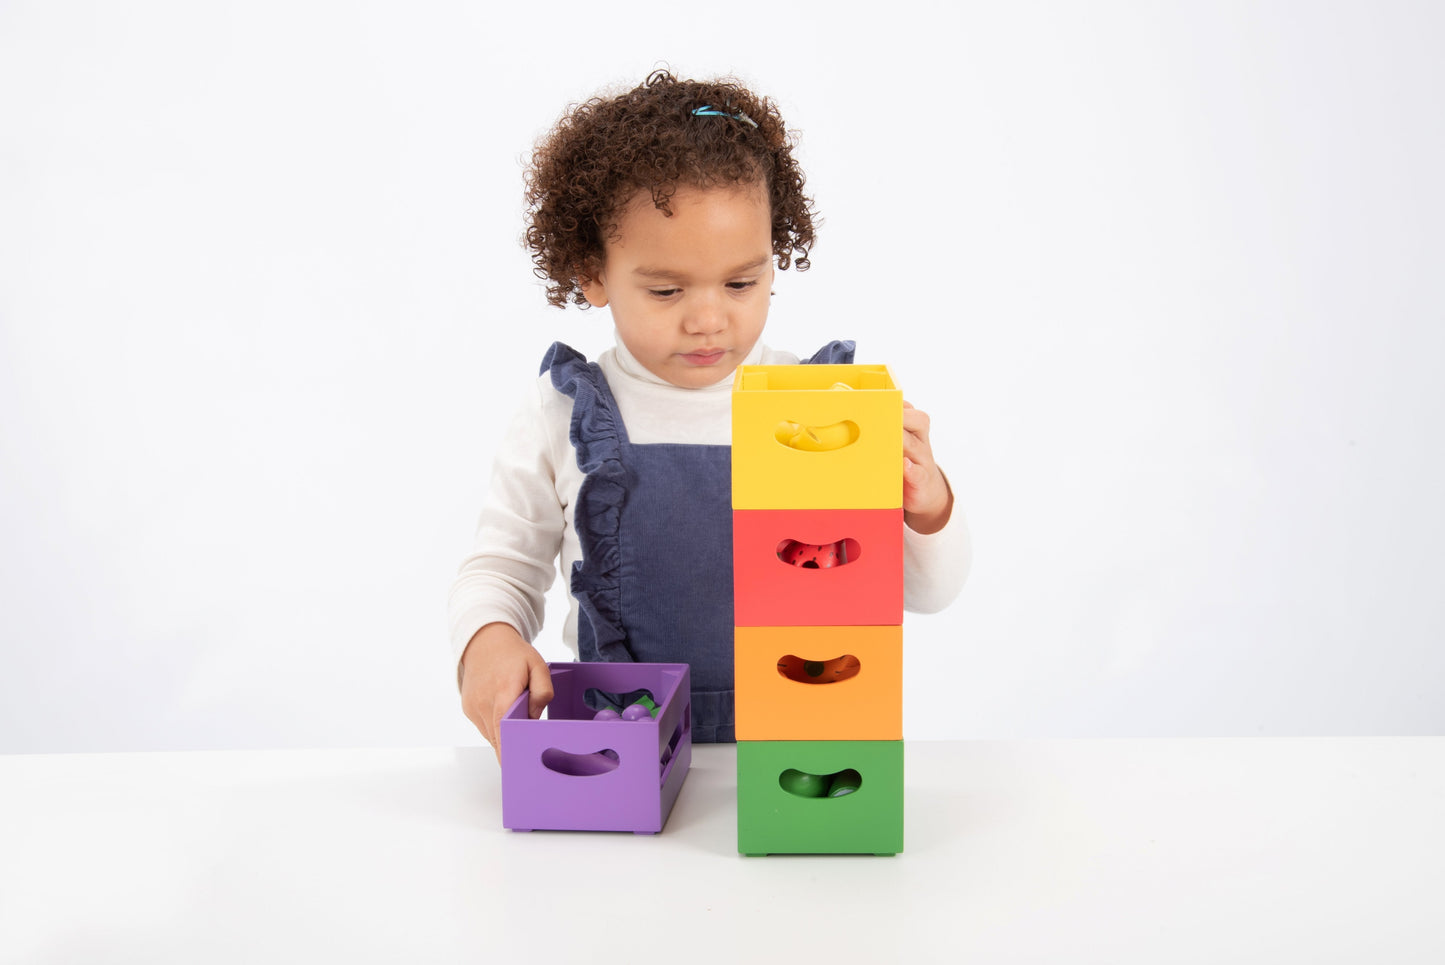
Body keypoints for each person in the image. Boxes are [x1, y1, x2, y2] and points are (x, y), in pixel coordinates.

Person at [448, 69, 970, 757]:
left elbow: (924, 595)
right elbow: (502, 566)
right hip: (625, 750)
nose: (707, 318)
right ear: (592, 272)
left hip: (797, 751)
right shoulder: (562, 413)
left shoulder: (820, 408)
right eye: (665, 289)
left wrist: (925, 507)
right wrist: (487, 639)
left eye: (741, 283)